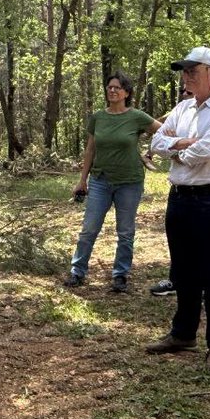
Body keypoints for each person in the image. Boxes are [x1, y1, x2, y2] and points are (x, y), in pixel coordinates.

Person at [145, 46, 210, 372]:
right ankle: (183, 333)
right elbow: (156, 142)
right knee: (183, 271)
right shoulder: (183, 108)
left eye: (193, 71)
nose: (186, 77)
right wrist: (184, 145)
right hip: (179, 197)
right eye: (184, 71)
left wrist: (179, 149)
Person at [66, 71, 162, 292]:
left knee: (125, 231)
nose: (112, 90)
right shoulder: (98, 117)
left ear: (126, 92)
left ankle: (120, 275)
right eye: (110, 87)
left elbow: (164, 131)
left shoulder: (137, 117)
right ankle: (77, 272)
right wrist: (82, 180)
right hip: (100, 180)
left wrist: (151, 153)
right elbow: (91, 148)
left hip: (129, 182)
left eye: (117, 87)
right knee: (89, 228)